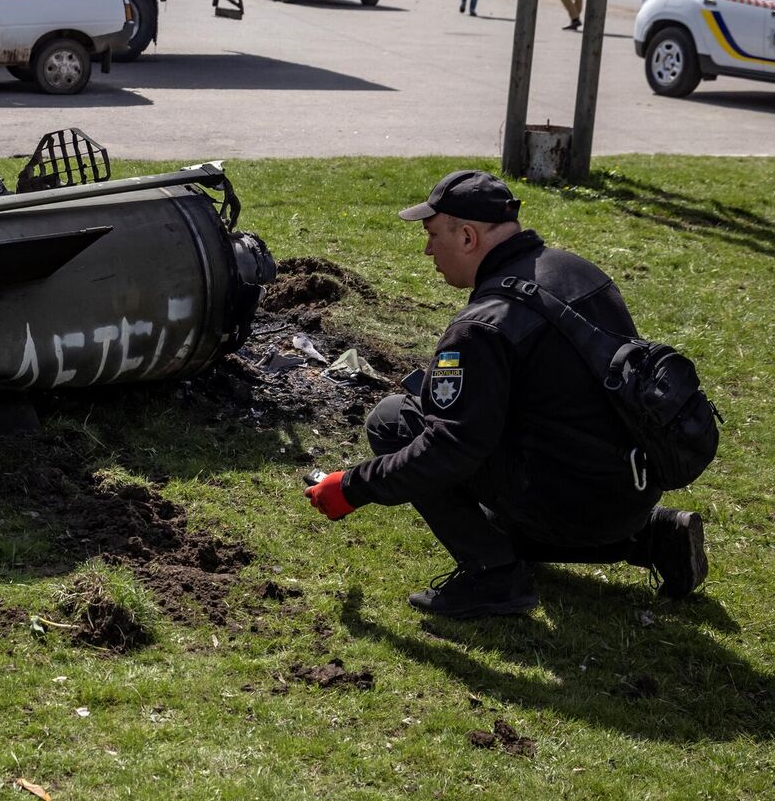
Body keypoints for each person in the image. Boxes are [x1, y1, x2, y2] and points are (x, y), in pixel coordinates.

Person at [302, 171, 709, 620]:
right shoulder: (577, 269)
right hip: (632, 490)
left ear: (469, 236)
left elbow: (449, 452)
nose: (427, 250)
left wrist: (352, 487)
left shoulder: (481, 326)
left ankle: (493, 577)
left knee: (394, 420)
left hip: (572, 504)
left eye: (433, 235)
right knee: (499, 514)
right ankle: (652, 537)